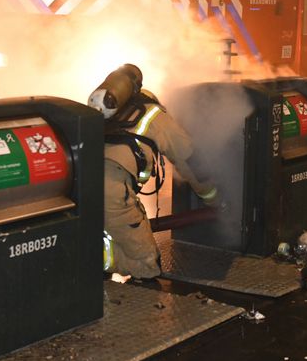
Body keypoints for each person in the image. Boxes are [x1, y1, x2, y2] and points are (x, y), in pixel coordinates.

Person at [88, 64, 219, 278]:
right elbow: (189, 159)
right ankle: (86, 256)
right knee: (148, 266)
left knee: (110, 234)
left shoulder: (109, 114)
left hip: (79, 187)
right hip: (112, 195)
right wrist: (212, 197)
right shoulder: (153, 115)